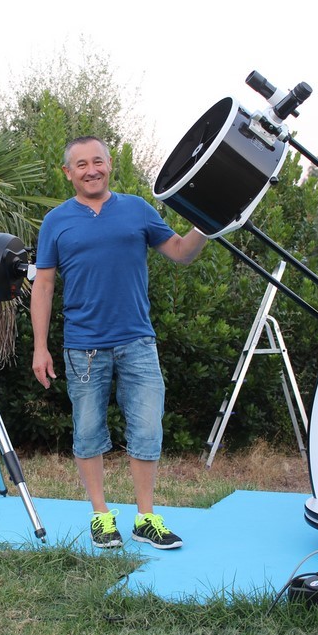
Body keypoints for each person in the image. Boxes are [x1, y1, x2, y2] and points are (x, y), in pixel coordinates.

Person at [30, 136, 208, 550]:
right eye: (81, 164)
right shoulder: (57, 220)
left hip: (138, 343)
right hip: (83, 347)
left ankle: (146, 518)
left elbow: (181, 253)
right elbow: (43, 285)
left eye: (98, 161)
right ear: (68, 173)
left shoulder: (137, 209)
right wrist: (41, 346)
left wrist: (208, 224)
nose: (90, 170)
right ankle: (101, 516)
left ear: (110, 164)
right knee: (88, 432)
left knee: (147, 431)